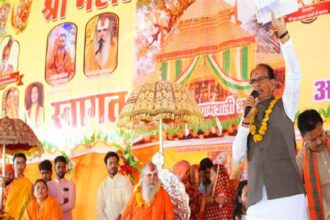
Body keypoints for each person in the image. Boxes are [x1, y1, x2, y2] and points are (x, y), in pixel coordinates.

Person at [232, 14, 307, 219]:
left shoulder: (286, 106)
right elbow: (237, 155)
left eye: (261, 79)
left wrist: (283, 35)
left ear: (274, 83)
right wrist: (245, 121)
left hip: (288, 196)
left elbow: (295, 74)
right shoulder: (248, 117)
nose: (255, 84)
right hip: (257, 202)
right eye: (252, 81)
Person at [296, 109, 330, 219]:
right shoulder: (300, 161)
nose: (319, 141)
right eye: (313, 139)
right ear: (303, 138)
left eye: (320, 135)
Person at [96, 151, 132, 220]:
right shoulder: (102, 186)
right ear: (106, 165)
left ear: (118, 164)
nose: (113, 165)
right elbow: (99, 209)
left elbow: (129, 202)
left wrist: (121, 216)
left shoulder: (125, 181)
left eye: (115, 163)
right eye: (110, 163)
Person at [3, 153, 33, 219]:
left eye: (22, 163)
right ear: (13, 166)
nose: (19, 166)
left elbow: (31, 206)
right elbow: (4, 205)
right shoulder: (7, 187)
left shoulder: (29, 185)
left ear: (25, 165)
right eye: (17, 163)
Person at [47, 156, 76, 220]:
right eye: (59, 167)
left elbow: (71, 204)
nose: (61, 169)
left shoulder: (71, 185)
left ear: (66, 168)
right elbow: (47, 203)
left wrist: (55, 209)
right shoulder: (48, 185)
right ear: (54, 168)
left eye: (63, 167)